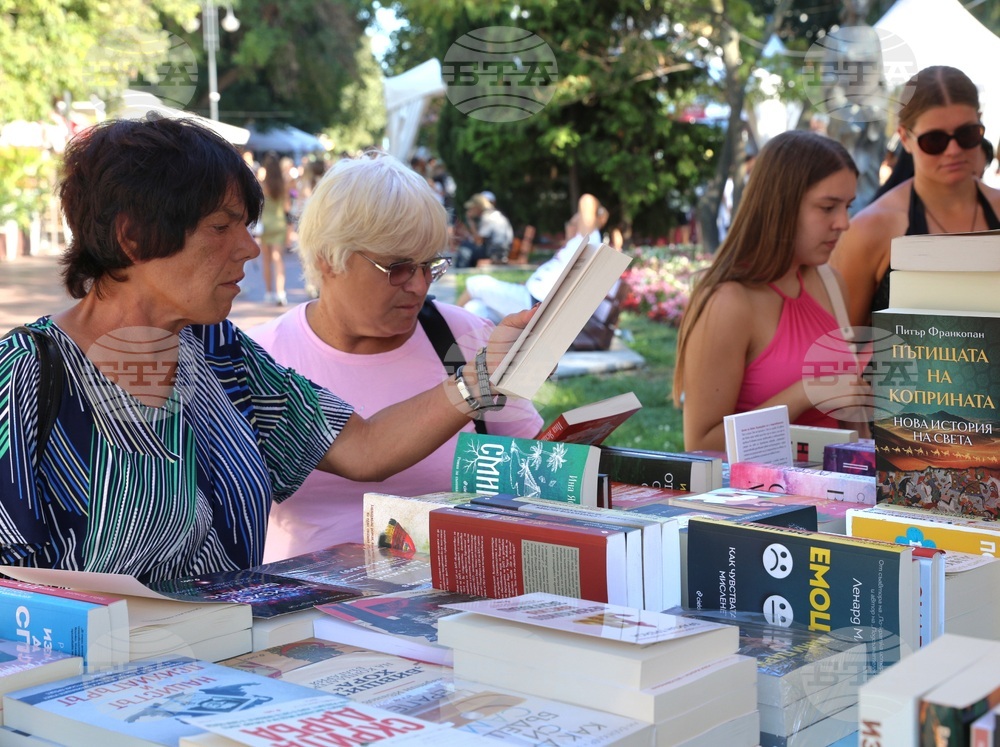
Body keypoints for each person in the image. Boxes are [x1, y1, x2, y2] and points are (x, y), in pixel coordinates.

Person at [0, 116, 534, 583]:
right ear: (133, 237)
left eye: (247, 226)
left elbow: (365, 448)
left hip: (237, 674)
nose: (251, 249)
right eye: (220, 227)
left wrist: (480, 376)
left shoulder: (218, 351)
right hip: (95, 689)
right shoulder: (26, 376)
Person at [247, 152, 543, 561]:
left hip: (459, 594)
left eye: (430, 265)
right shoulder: (262, 357)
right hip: (305, 613)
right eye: (399, 267)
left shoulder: (461, 338)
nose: (419, 286)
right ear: (327, 258)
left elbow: (538, 467)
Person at [673, 130, 871, 452]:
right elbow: (701, 445)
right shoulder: (728, 302)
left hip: (835, 495)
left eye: (847, 206)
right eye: (827, 207)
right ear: (781, 206)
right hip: (762, 498)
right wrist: (806, 392)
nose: (844, 223)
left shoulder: (831, 283)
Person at [830, 65, 1000, 328]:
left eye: (967, 134)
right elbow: (839, 346)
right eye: (935, 140)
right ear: (905, 138)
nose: (953, 150)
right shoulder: (871, 229)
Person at [457, 194, 606, 323]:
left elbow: (587, 200)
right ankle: (456, 350)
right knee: (475, 308)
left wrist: (599, 214)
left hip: (534, 305)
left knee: (475, 283)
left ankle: (441, 332)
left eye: (575, 222)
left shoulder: (589, 240)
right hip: (530, 300)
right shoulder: (575, 247)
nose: (571, 225)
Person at [258, 152, 291, 305]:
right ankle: (281, 293)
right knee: (278, 260)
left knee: (266, 260)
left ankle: (268, 292)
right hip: (279, 224)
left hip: (265, 225)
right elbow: (287, 207)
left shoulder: (262, 185)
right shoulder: (284, 185)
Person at [453, 193, 514, 267]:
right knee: (469, 246)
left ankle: (462, 272)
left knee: (465, 246)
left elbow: (478, 241)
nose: (470, 210)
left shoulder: (487, 217)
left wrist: (470, 221)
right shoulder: (496, 214)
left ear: (478, 207)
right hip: (503, 250)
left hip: (495, 251)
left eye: (472, 207)